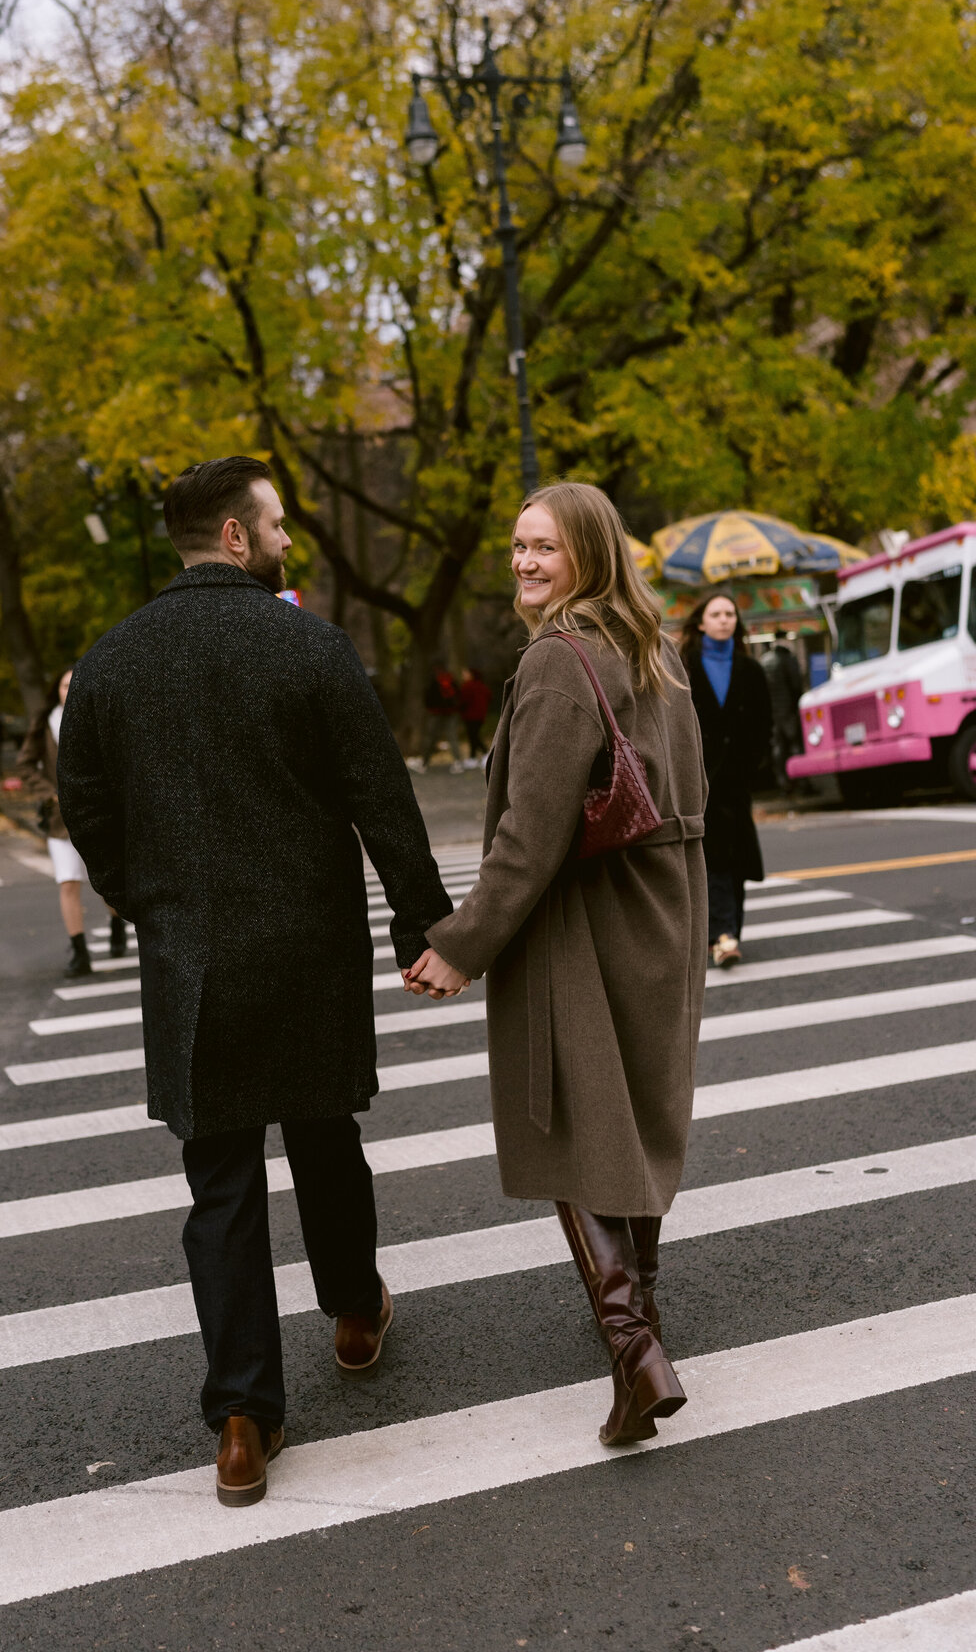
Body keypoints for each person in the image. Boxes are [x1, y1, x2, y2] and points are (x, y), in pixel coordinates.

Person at [58, 455, 451, 1508]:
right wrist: (423, 921)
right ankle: (356, 1313)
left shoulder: (109, 663)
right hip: (308, 948)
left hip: (194, 964)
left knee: (221, 1185)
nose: (288, 536)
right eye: (276, 522)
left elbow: (84, 809)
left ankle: (242, 1418)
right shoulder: (308, 645)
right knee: (326, 1143)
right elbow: (382, 798)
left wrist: (149, 904)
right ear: (235, 536)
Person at [403, 482, 708, 1449]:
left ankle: (635, 1353)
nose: (525, 562)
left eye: (545, 547)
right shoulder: (653, 649)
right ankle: (643, 1313)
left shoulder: (555, 660)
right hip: (663, 910)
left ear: (589, 552)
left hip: (584, 919)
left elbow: (528, 841)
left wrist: (460, 946)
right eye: (517, 546)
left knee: (577, 1123)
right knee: (634, 1115)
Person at [680, 593, 772, 967]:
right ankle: (722, 934)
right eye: (715, 614)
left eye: (729, 613)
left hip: (737, 779)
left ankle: (727, 932)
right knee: (712, 857)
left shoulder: (750, 669)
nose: (723, 620)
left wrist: (755, 765)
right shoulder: (683, 666)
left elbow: (765, 723)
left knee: (734, 858)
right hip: (697, 779)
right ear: (701, 622)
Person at [15, 668, 126, 976]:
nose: (70, 689)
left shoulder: (96, 716)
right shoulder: (45, 722)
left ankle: (117, 924)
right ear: (57, 690)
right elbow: (25, 765)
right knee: (68, 883)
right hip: (59, 819)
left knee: (105, 882)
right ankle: (79, 953)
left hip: (98, 814)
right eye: (65, 685)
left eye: (75, 684)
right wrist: (49, 793)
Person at [760, 635, 805, 794]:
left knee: (778, 747)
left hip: (772, 711)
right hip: (788, 709)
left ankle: (782, 782)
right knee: (795, 745)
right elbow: (796, 685)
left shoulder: (764, 660)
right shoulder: (788, 659)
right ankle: (801, 782)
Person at [425, 659, 464, 771]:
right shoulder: (450, 679)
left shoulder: (432, 679)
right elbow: (458, 694)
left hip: (436, 712)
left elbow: (428, 695)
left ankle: (424, 763)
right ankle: (458, 762)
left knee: (431, 737)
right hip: (451, 711)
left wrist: (429, 708)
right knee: (452, 737)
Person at [458, 666, 493, 766]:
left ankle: (486, 753)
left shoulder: (468, 686)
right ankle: (472, 758)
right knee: (473, 736)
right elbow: (490, 697)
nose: (463, 676)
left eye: (465, 674)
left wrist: (460, 709)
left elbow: (463, 701)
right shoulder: (482, 686)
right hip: (480, 715)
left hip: (471, 716)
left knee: (474, 736)